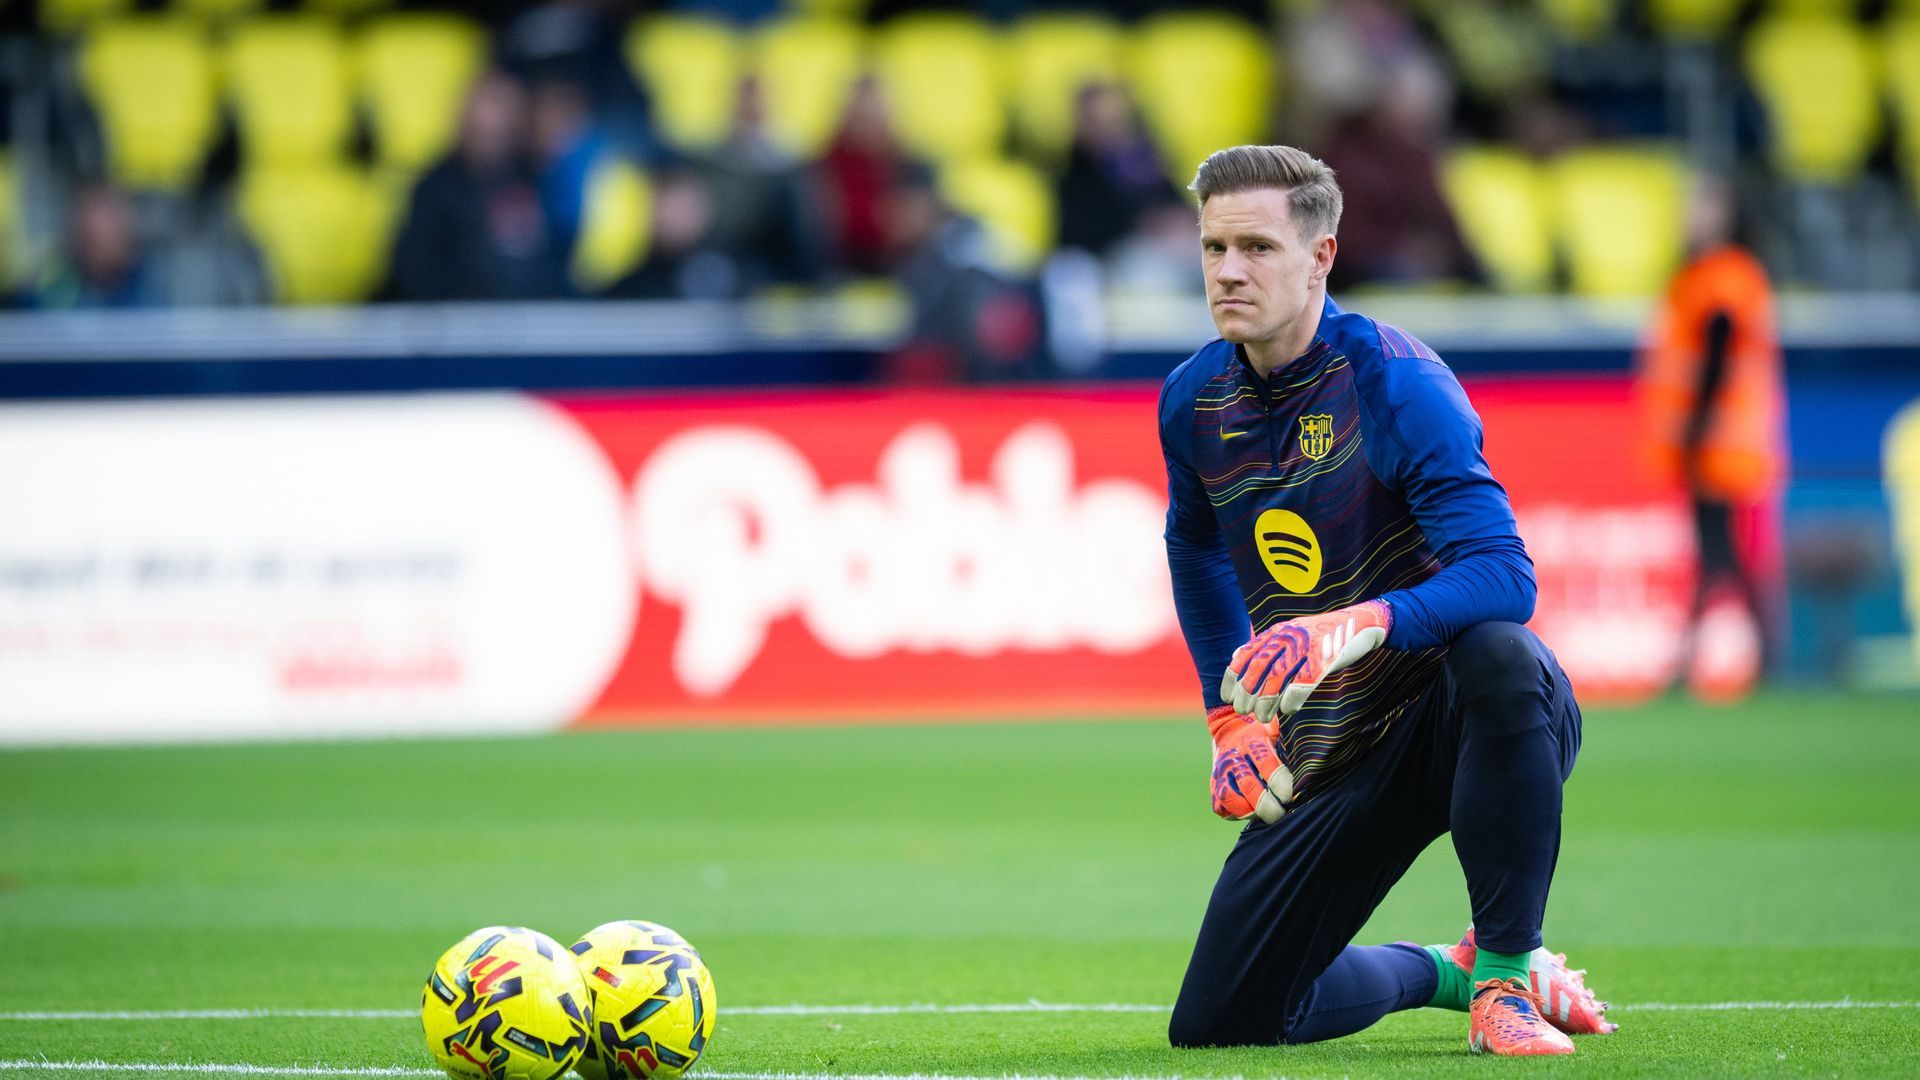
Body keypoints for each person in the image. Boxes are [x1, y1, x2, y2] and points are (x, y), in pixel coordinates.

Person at [1157, 145, 1615, 1057]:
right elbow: (1193, 544)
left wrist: (1357, 623)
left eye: (1256, 246)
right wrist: (1228, 719)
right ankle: (1449, 970)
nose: (1229, 270)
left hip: (1453, 715)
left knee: (1499, 655)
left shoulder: (1397, 382)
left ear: (1322, 255)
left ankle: (1506, 977)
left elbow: (1505, 577)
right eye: (1214, 248)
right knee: (1222, 1024)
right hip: (1335, 741)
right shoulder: (1193, 399)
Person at [1635, 176, 1786, 691]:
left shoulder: (1721, 278)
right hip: (1720, 442)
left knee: (1720, 552)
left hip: (1717, 443)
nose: (1693, 216)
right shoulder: (1719, 276)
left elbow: (1716, 356)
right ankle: (1750, 653)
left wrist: (1696, 429)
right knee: (1722, 552)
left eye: (1705, 205)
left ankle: (1735, 655)